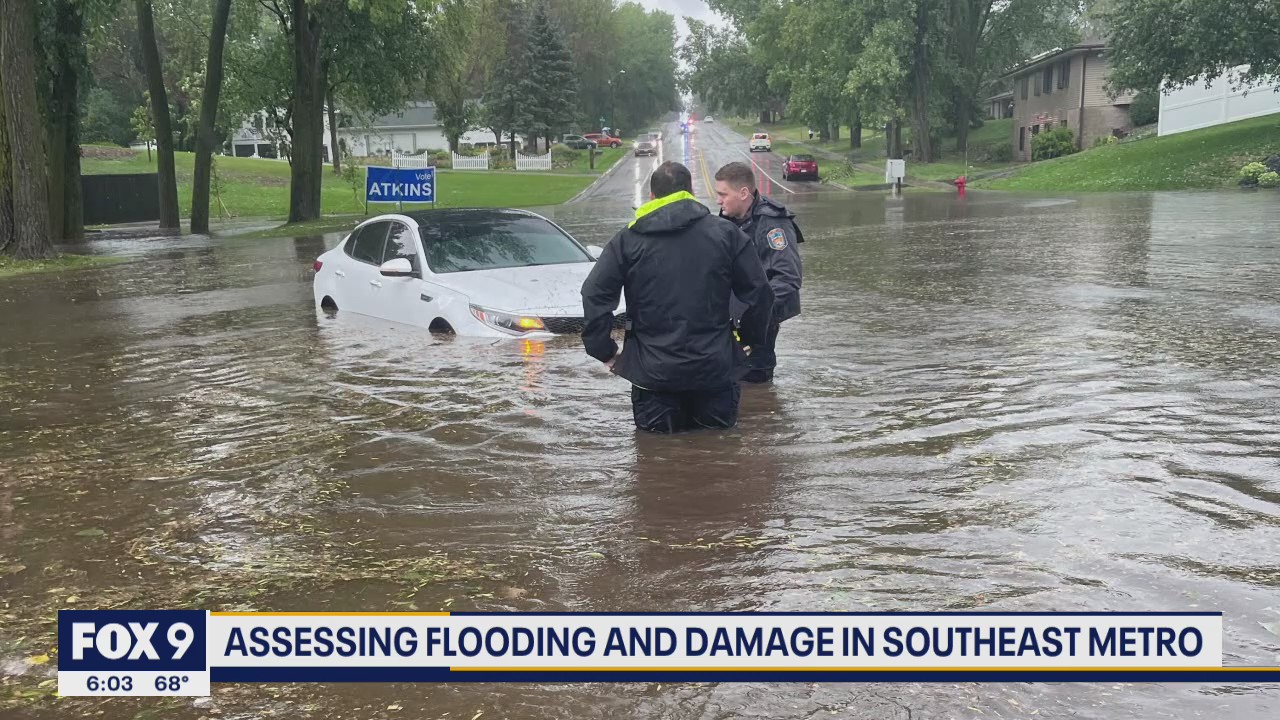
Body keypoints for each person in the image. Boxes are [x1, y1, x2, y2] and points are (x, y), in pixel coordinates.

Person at [581, 161, 775, 433]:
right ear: (691, 191)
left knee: (657, 459)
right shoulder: (727, 234)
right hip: (715, 369)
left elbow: (594, 293)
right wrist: (751, 341)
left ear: (652, 197)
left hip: (652, 375)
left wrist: (604, 351)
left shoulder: (627, 241)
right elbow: (760, 294)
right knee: (719, 457)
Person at [713, 161, 804, 384]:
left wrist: (755, 312)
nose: (718, 200)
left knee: (754, 382)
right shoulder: (726, 221)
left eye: (723, 194)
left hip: (759, 321)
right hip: (730, 320)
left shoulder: (773, 223)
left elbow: (788, 277)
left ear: (743, 193)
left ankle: (762, 413)